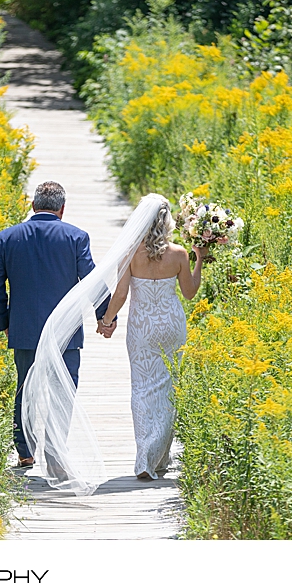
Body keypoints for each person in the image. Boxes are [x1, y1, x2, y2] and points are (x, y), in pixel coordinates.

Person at [0, 181, 112, 469]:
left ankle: (25, 452)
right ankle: (54, 452)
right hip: (65, 331)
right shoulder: (76, 237)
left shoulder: (7, 237)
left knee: (24, 389)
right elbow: (91, 281)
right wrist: (105, 317)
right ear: (62, 209)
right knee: (62, 390)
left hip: (25, 328)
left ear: (33, 206)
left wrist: (5, 322)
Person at [98, 196, 205, 480]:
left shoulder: (131, 255)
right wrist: (200, 260)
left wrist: (107, 321)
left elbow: (120, 295)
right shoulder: (180, 254)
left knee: (143, 388)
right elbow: (190, 292)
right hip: (171, 324)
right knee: (169, 386)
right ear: (167, 222)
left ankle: (146, 456)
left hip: (142, 327)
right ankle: (159, 458)